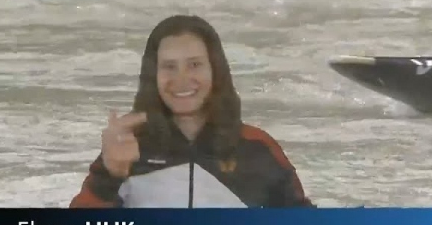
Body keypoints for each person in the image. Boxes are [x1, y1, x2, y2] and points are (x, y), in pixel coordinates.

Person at [70, 15, 313, 208]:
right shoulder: (127, 149)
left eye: (194, 64)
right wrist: (109, 176)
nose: (181, 79)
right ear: (152, 75)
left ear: (215, 70)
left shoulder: (257, 147)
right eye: (169, 67)